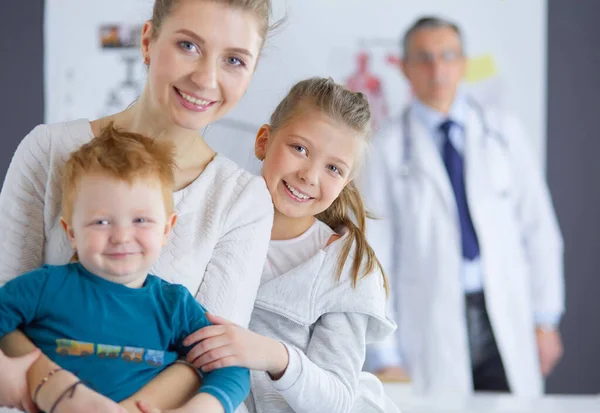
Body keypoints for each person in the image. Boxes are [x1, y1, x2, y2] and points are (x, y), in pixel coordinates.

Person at [0, 0, 277, 411]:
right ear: (148, 41)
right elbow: (6, 310)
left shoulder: (242, 202)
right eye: (189, 46)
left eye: (234, 60)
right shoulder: (50, 151)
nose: (206, 78)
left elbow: (210, 357)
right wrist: (64, 395)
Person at [137, 77, 400, 413]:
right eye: (300, 149)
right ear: (263, 141)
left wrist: (273, 355)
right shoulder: (204, 219)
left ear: (345, 182)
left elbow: (337, 399)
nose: (309, 175)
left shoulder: (344, 266)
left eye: (333, 168)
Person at [362, 16, 565, 396]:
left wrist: (546, 320)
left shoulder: (504, 132)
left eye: (447, 56)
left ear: (463, 64)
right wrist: (384, 351)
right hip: (430, 322)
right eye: (423, 58)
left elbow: (538, 229)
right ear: (404, 68)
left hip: (505, 312)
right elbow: (377, 255)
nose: (437, 69)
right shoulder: (384, 149)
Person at [0, 127, 251, 413]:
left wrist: (197, 409)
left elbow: (233, 365)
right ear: (71, 232)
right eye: (101, 222)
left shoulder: (174, 306)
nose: (122, 237)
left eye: (141, 220)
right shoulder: (45, 287)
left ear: (167, 229)